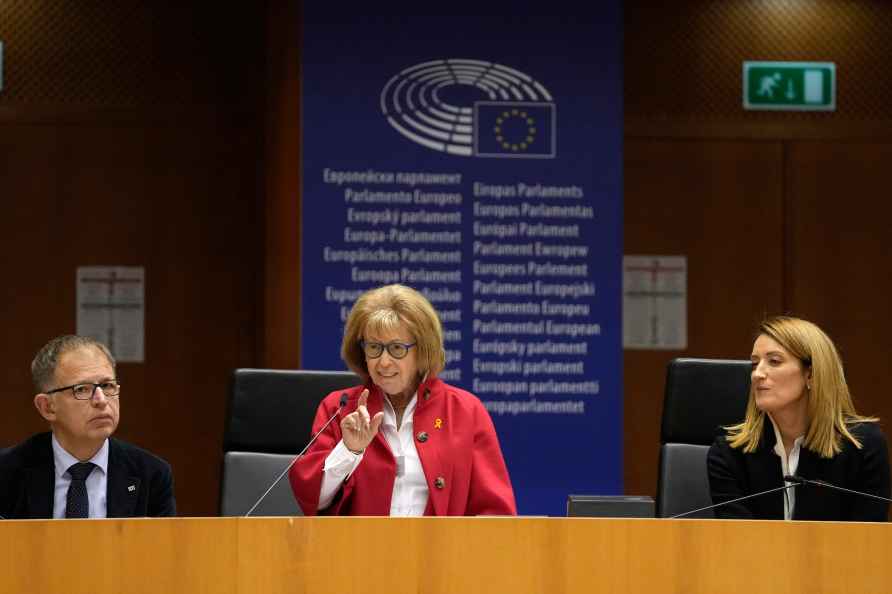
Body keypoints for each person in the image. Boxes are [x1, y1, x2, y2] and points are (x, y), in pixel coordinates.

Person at [289, 284, 516, 516]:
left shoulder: (464, 410)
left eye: (397, 348)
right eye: (374, 347)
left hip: (441, 551)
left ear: (423, 352)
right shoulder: (340, 408)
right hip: (358, 550)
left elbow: (495, 512)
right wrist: (349, 450)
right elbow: (314, 500)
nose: (383, 362)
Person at [708, 316, 890, 521]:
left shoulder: (863, 447)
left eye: (774, 361)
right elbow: (737, 540)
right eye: (754, 363)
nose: (757, 374)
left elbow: (869, 541)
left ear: (811, 374)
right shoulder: (729, 451)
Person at [0, 335, 176, 519]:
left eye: (107, 386)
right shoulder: (6, 473)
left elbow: (164, 547)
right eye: (82, 389)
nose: (101, 400)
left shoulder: (151, 474)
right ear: (47, 407)